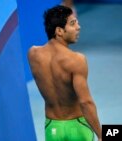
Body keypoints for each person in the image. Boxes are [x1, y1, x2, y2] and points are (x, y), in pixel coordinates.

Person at [28, 5, 102, 141]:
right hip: (78, 128)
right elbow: (85, 102)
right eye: (73, 24)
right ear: (59, 31)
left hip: (52, 128)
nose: (78, 27)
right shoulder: (77, 60)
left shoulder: (33, 54)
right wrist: (101, 134)